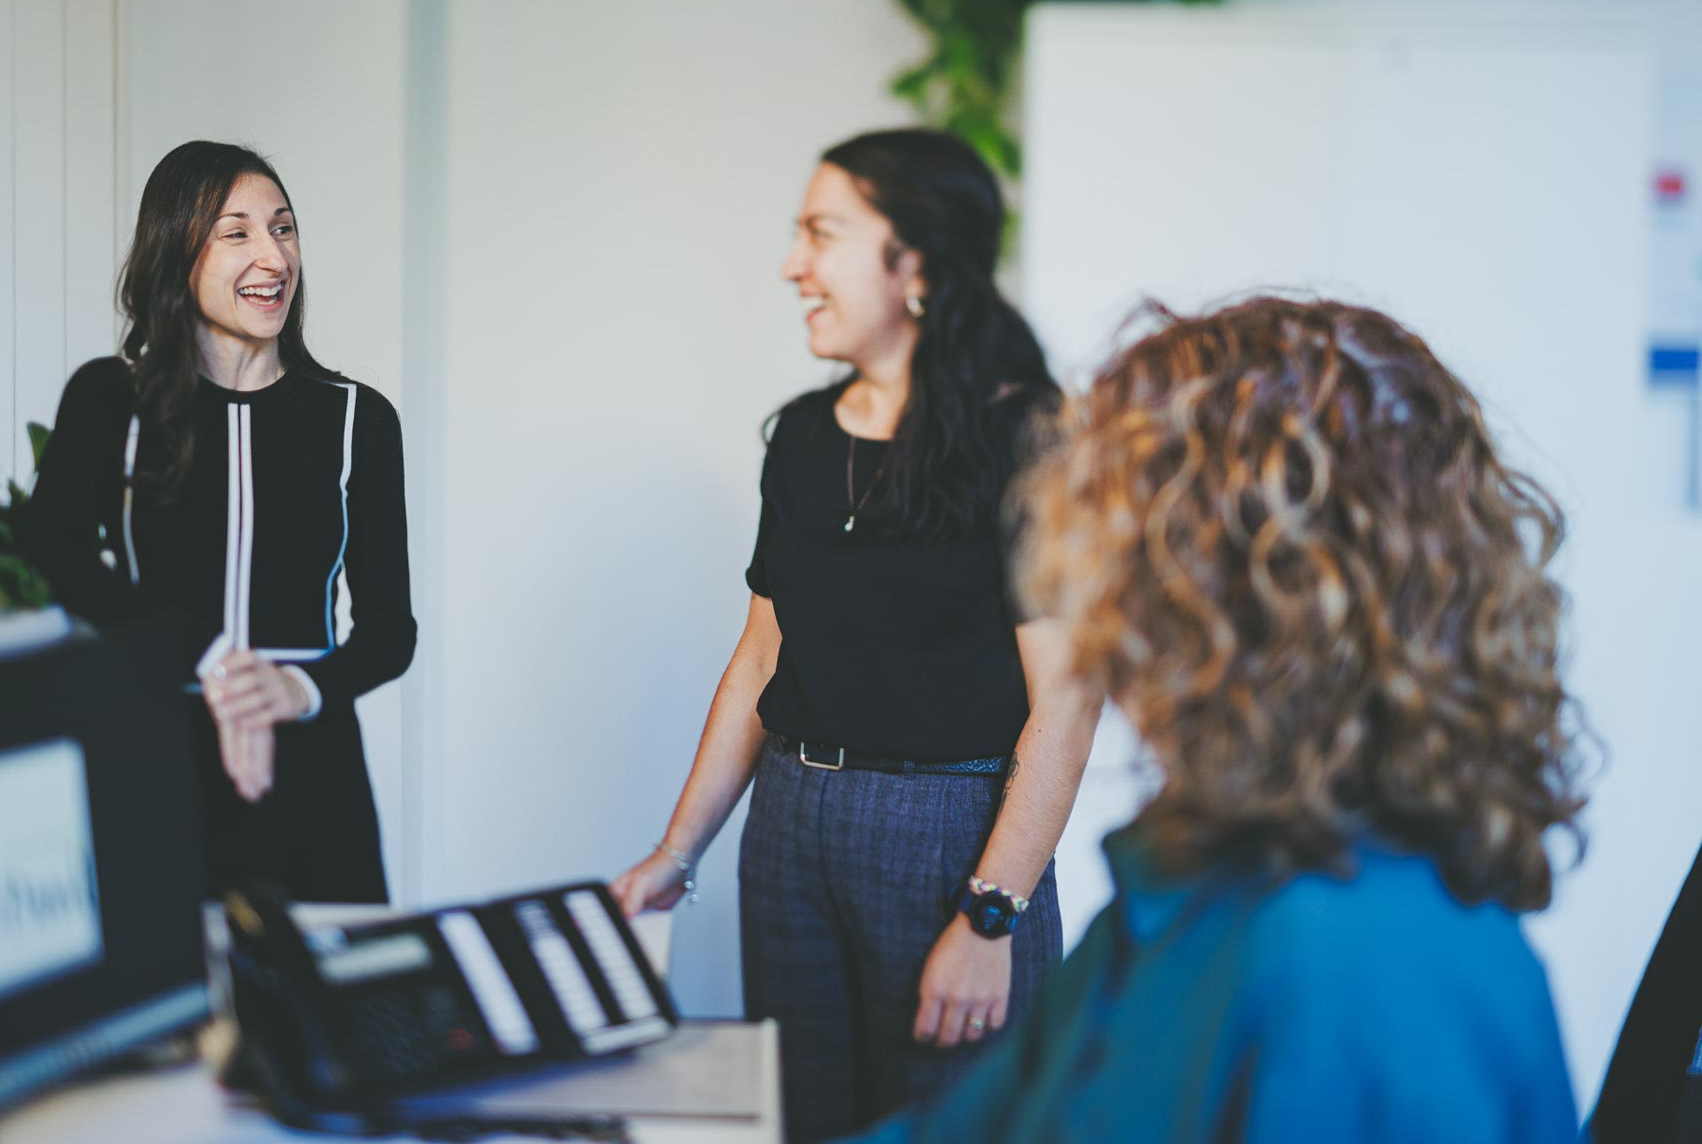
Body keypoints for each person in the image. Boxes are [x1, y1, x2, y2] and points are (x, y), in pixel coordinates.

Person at [850, 296, 1587, 1143]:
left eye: (1106, 545)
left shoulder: (1361, 971)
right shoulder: (1191, 877)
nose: (1080, 595)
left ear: (1223, 594)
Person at [611, 129, 1102, 1142]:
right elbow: (760, 657)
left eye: (821, 233)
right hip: (788, 830)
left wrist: (989, 914)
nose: (794, 264)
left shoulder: (1031, 441)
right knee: (808, 1124)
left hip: (954, 837)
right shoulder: (799, 436)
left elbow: (1068, 696)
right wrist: (678, 846)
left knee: (963, 1124)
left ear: (914, 261)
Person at [23, 140, 414, 903]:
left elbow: (390, 631)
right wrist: (212, 660)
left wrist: (294, 689)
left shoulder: (359, 419)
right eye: (236, 233)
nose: (273, 256)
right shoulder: (113, 400)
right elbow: (51, 553)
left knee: (328, 1012)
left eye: (284, 228)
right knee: (169, 1012)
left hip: (314, 777)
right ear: (178, 254)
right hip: (156, 758)